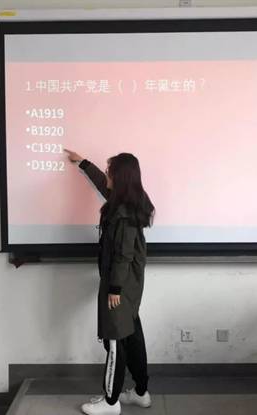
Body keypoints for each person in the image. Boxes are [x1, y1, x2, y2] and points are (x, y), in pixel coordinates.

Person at [65, 150, 155, 415]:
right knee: (132, 335)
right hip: (128, 284)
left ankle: (111, 402)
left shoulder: (123, 215)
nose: (106, 175)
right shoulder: (126, 202)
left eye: (109, 172)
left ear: (120, 177)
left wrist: (114, 288)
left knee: (115, 340)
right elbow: (103, 187)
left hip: (120, 285)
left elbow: (123, 255)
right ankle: (141, 393)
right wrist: (84, 163)